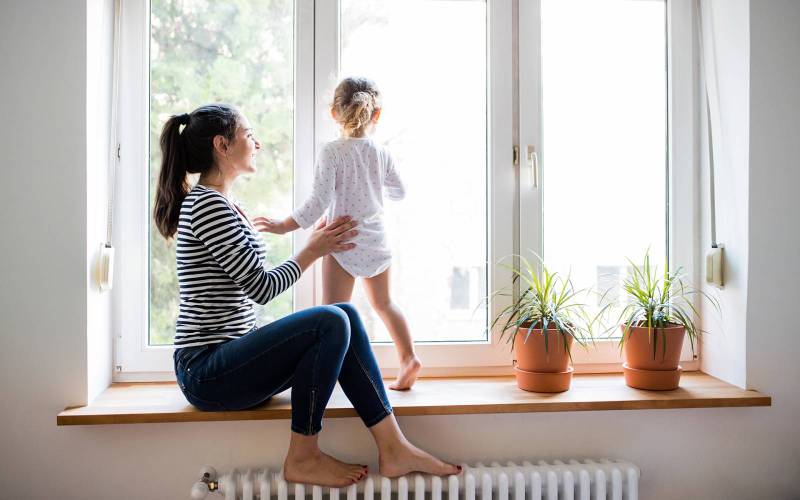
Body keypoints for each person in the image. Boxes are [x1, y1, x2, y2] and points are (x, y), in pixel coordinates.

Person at [153, 103, 460, 487]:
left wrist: (314, 243)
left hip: (229, 360)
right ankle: (303, 455)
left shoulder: (225, 204)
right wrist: (312, 250)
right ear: (222, 145)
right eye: (249, 135)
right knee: (330, 319)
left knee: (344, 314)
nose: (257, 143)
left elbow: (250, 277)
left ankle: (393, 447)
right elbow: (261, 287)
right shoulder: (208, 206)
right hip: (206, 371)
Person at [258, 77, 421, 390]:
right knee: (385, 304)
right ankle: (408, 358)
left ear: (334, 113)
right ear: (376, 115)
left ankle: (330, 375)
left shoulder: (331, 152)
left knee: (332, 314)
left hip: (340, 240)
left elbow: (317, 203)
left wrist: (282, 225)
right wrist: (373, 187)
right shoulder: (380, 152)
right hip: (376, 239)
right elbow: (399, 192)